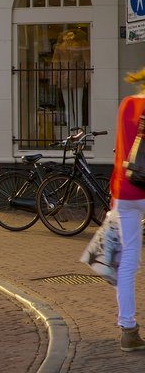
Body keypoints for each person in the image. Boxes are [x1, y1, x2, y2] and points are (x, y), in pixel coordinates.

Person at [110, 68, 145, 351]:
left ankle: (128, 329)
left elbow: (120, 151)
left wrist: (114, 197)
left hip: (125, 190)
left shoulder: (126, 105)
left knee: (128, 262)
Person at [52, 29, 90, 129]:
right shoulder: (59, 47)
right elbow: (55, 64)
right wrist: (55, 79)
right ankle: (72, 129)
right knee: (68, 106)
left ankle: (78, 129)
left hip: (77, 76)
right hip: (65, 77)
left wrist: (87, 76)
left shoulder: (81, 44)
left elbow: (87, 60)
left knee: (77, 106)